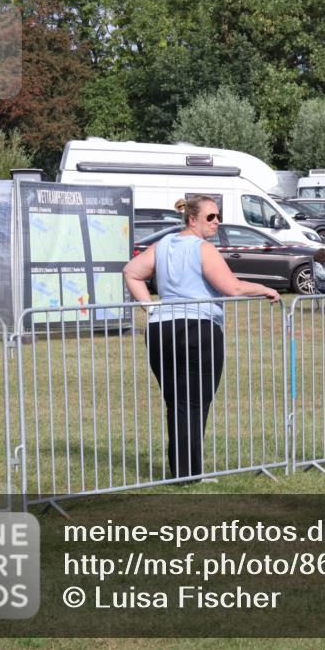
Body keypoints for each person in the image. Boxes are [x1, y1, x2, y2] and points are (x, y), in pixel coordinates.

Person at [123, 196, 280, 479]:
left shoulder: (163, 245)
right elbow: (231, 288)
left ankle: (183, 471)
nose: (217, 221)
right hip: (197, 328)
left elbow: (132, 272)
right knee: (194, 401)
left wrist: (150, 307)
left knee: (177, 402)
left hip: (162, 330)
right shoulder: (203, 249)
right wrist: (266, 289)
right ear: (192, 219)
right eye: (211, 217)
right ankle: (189, 472)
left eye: (218, 216)